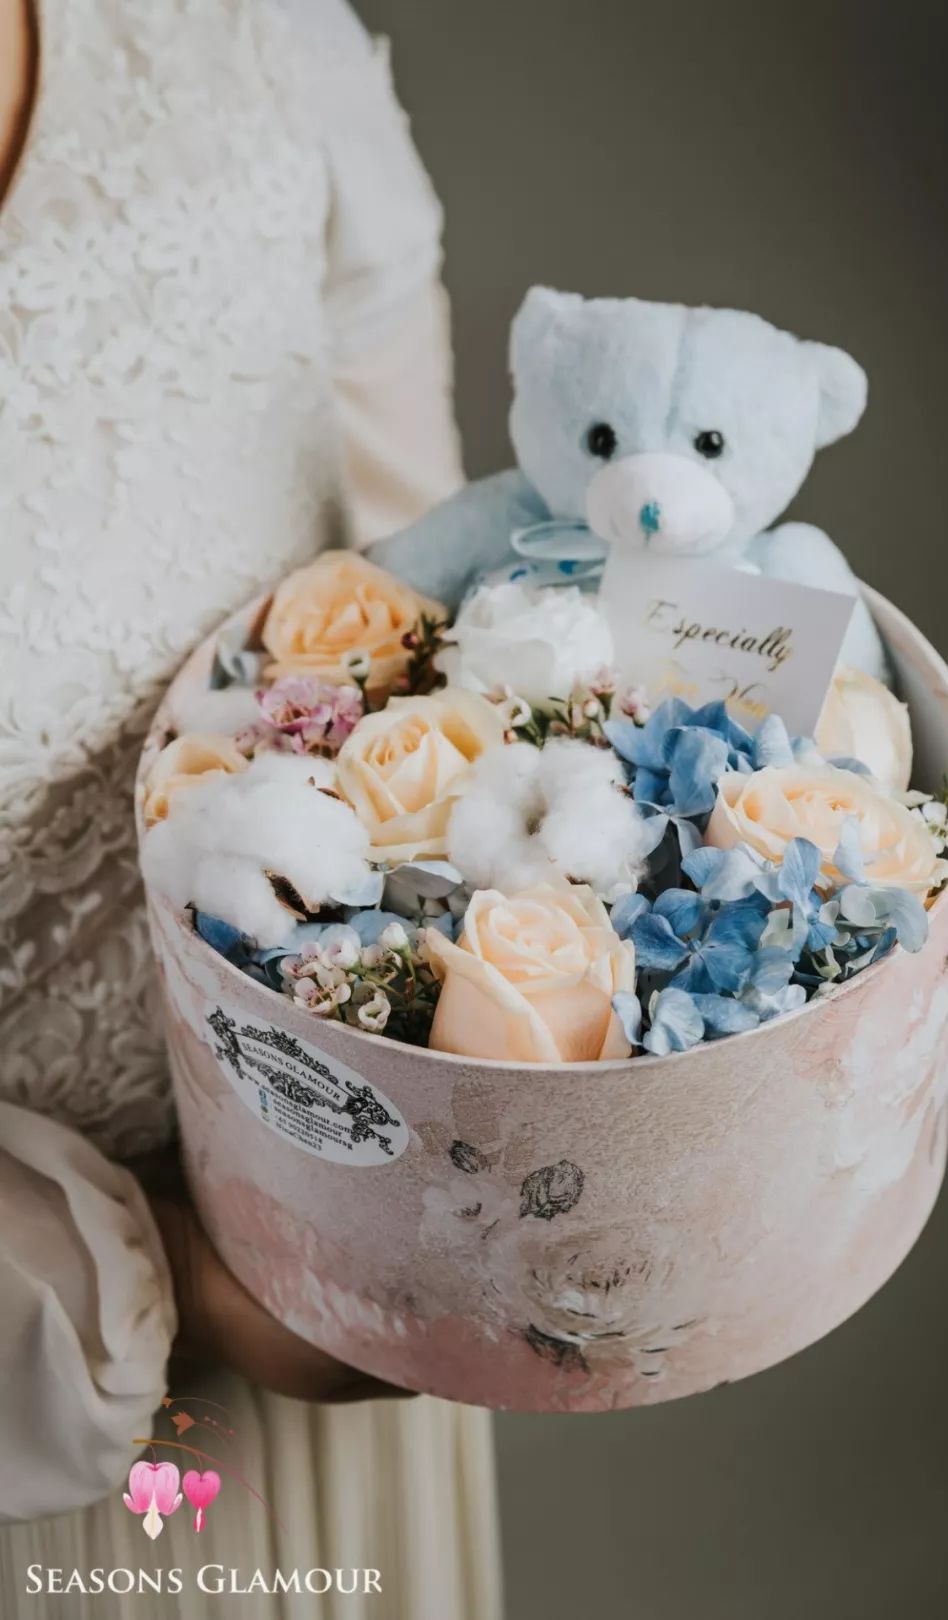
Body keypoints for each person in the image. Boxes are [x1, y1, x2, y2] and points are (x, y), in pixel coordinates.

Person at [0, 1, 501, 1614]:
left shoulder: (250, 35)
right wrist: (177, 1286)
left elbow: (420, 598)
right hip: (61, 1381)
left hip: (340, 1308)